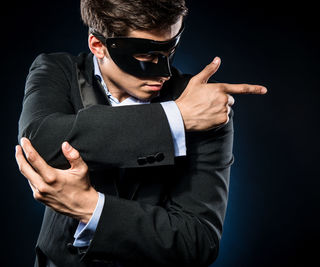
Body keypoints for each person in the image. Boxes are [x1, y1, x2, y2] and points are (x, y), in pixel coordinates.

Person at [15, 0, 267, 266]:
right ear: (98, 46)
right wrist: (174, 119)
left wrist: (89, 207)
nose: (164, 73)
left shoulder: (204, 106)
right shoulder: (57, 71)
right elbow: (39, 143)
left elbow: (198, 241)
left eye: (170, 49)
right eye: (145, 56)